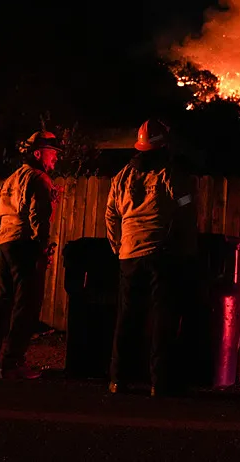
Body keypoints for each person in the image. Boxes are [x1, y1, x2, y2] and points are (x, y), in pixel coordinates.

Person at [105, 119, 198, 396]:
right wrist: (185, 251)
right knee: (162, 319)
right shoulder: (172, 173)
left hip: (129, 255)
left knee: (127, 318)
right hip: (162, 255)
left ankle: (117, 380)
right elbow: (186, 215)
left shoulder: (122, 176)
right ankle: (160, 383)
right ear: (164, 145)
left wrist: (120, 247)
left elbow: (111, 214)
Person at [0, 130, 62, 379]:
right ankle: (13, 363)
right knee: (26, 305)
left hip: (4, 243)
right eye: (52, 153)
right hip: (25, 244)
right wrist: (42, 247)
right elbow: (39, 218)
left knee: (2, 302)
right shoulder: (39, 178)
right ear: (38, 153)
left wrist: (2, 238)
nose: (55, 159)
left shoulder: (10, 180)